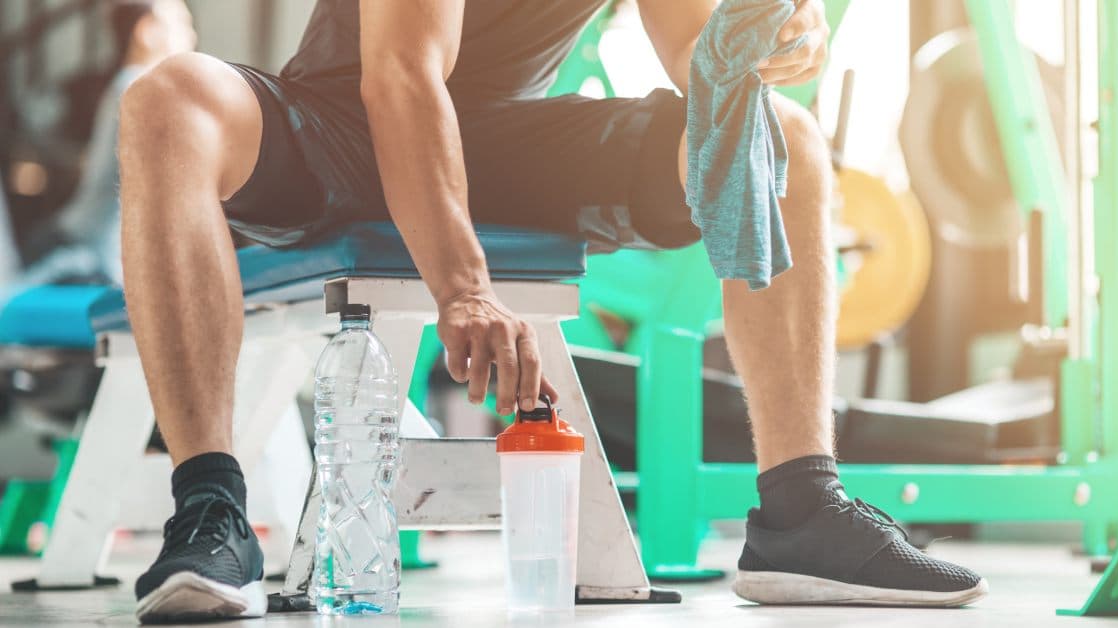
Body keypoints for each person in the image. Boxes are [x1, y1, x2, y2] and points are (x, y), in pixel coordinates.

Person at [118, 0, 987, 622]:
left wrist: (758, 44)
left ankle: (801, 507)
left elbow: (697, 53)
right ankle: (210, 509)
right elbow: (400, 73)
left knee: (780, 135)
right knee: (168, 99)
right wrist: (464, 285)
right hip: (335, 123)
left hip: (502, 135)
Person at [14, 0, 195, 288]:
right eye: (182, 24)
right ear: (146, 31)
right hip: (86, 256)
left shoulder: (125, 85)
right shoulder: (141, 90)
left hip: (79, 244)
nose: (191, 36)